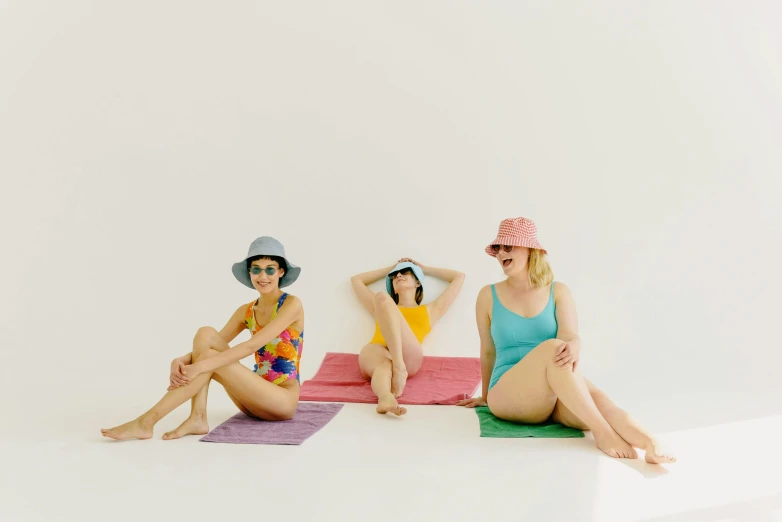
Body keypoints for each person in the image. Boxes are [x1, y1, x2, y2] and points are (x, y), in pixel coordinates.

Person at [457, 217, 675, 463]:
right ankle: (602, 433)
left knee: (601, 401)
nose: (501, 254)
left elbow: (569, 336)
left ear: (531, 250)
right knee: (552, 348)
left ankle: (650, 443)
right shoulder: (488, 295)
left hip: (553, 392)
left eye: (509, 246)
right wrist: (485, 396)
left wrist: (576, 344)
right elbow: (488, 351)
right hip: (507, 393)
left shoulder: (558, 291)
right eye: (498, 248)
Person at [101, 236, 305, 440]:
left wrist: (198, 366)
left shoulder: (291, 304)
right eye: (256, 269)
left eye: (270, 269)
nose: (263, 275)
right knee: (205, 333)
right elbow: (207, 346)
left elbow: (250, 346)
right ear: (249, 272)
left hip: (281, 401)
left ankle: (147, 421)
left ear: (281, 272)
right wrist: (182, 359)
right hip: (252, 400)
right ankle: (197, 416)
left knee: (207, 360)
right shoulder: (247, 311)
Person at [351, 259, 465, 416]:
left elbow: (459, 277)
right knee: (382, 299)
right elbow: (356, 280)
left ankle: (399, 367)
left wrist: (424, 268)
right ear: (394, 289)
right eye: (394, 275)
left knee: (383, 299)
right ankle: (386, 397)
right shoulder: (382, 306)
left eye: (405, 272)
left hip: (408, 357)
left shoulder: (430, 310)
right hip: (378, 351)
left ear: (418, 283)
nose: (398, 275)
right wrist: (391, 268)